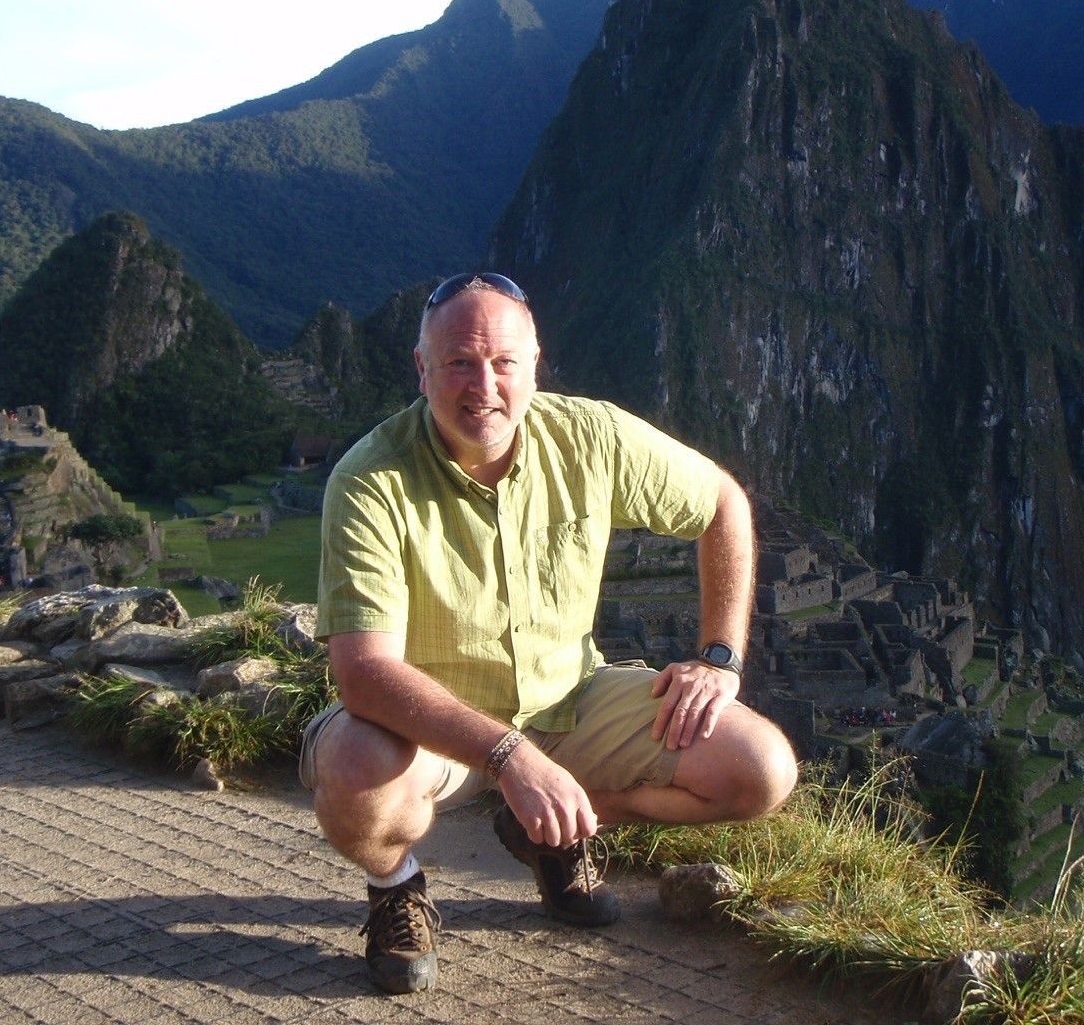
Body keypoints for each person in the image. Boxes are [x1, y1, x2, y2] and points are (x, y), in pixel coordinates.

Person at [301, 272, 798, 995]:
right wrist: (509, 757)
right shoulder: (372, 479)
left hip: (571, 697)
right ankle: (396, 887)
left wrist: (719, 658)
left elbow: (721, 501)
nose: (485, 385)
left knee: (761, 768)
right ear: (422, 368)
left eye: (504, 362)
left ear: (535, 363)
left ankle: (556, 832)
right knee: (353, 766)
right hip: (433, 731)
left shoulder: (588, 437)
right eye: (459, 364)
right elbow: (364, 674)